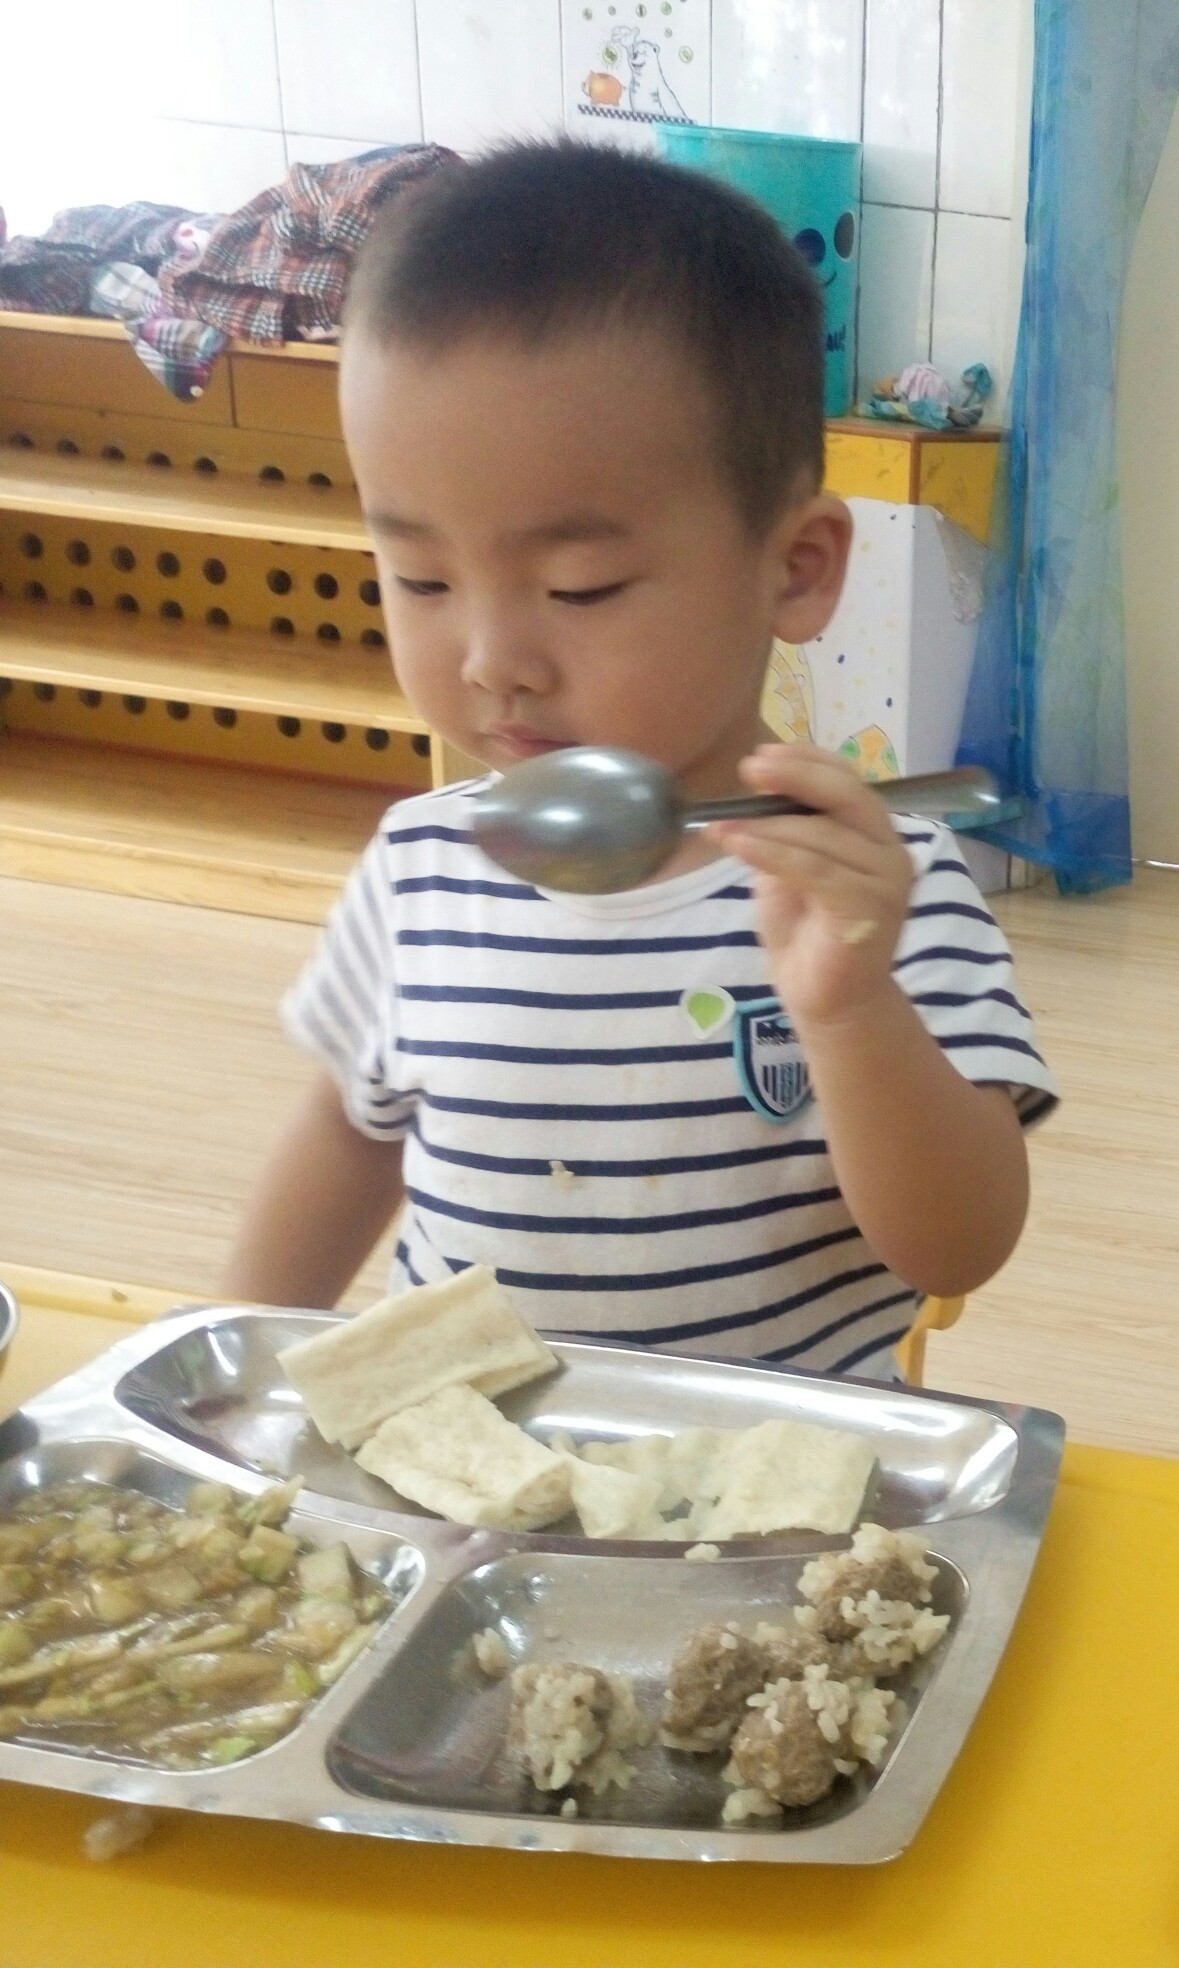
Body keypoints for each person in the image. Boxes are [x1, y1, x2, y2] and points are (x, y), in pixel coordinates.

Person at [221, 145, 1055, 1377]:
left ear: (794, 570)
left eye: (580, 587)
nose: (494, 660)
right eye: (422, 578)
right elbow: (348, 1141)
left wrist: (848, 1011)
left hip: (777, 1480)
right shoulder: (420, 868)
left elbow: (958, 1248)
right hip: (464, 1464)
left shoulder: (877, 886)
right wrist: (224, 1365)